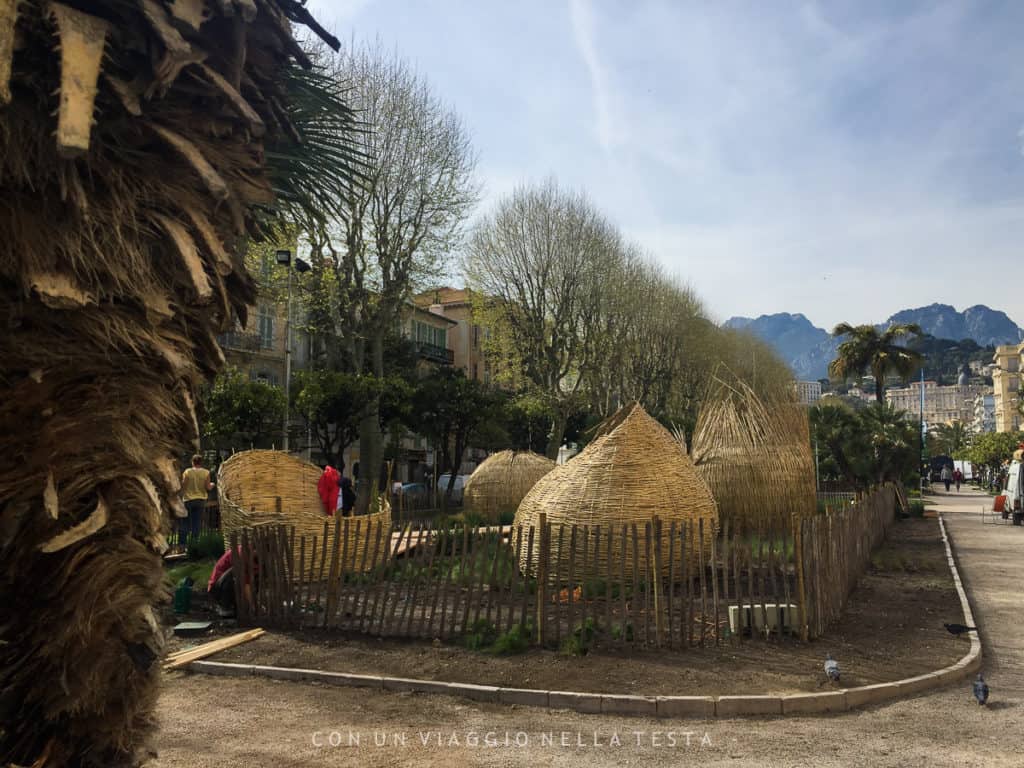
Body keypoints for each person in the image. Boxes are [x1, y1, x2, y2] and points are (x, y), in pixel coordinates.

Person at [207, 547, 257, 617]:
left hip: (233, 586)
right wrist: (252, 604)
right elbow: (246, 583)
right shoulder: (241, 555)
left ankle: (237, 608)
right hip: (217, 588)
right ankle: (225, 607)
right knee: (234, 570)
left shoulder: (255, 559)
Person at [180, 454, 213, 549]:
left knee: (185, 522)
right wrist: (212, 484)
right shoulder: (206, 473)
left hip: (188, 500)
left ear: (192, 462)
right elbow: (208, 487)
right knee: (196, 523)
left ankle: (182, 545)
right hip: (200, 500)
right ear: (201, 462)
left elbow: (184, 486)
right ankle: (194, 545)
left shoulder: (188, 472)